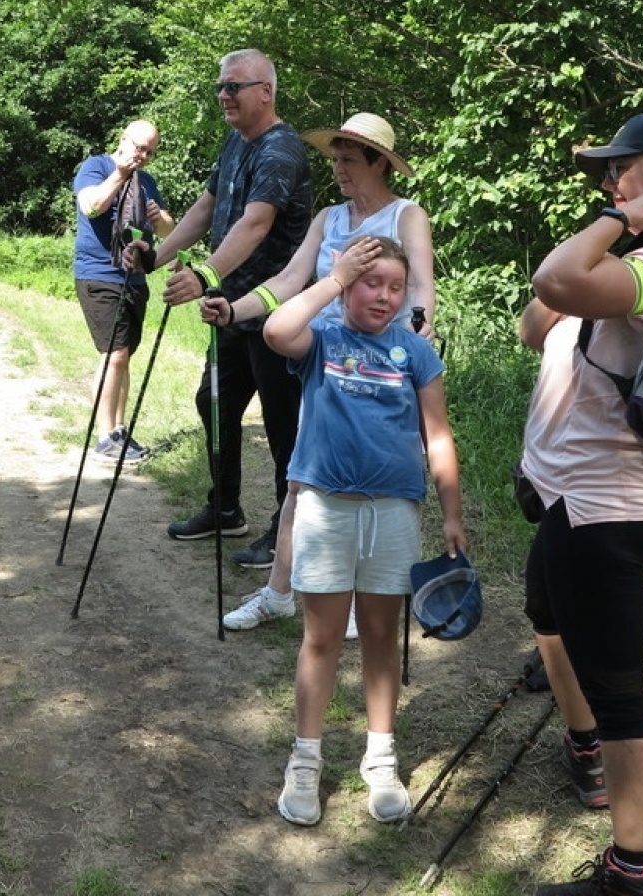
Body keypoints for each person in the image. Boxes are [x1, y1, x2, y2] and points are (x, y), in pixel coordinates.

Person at [518, 110, 643, 896]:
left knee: (622, 689)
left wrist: (612, 225)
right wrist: (613, 231)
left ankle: (632, 867)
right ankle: (583, 742)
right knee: (545, 611)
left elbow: (550, 284)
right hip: (578, 498)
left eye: (618, 170)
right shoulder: (635, 260)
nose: (606, 182)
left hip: (610, 509)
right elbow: (537, 324)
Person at [203, 112, 435, 632]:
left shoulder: (406, 216)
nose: (338, 170)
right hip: (324, 364)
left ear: (379, 162)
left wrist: (422, 333)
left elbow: (420, 288)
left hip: (381, 372)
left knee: (371, 483)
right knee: (303, 481)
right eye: (334, 160)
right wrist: (236, 309)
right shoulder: (328, 218)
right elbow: (289, 278)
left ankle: (357, 596)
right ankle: (279, 593)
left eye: (348, 160)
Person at [263, 235, 466, 826]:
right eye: (370, 283)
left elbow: (439, 436)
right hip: (326, 508)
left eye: (394, 287)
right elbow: (277, 331)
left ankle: (381, 757)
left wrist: (452, 512)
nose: (383, 296)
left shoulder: (416, 353)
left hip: (395, 512)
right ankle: (305, 760)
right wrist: (332, 276)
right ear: (349, 285)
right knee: (322, 638)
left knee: (381, 636)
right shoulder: (323, 338)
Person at [131, 50, 312, 542]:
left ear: (265, 92)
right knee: (213, 402)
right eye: (220, 87)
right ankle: (226, 508)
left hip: (278, 310)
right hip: (231, 309)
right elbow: (206, 207)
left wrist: (205, 275)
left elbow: (257, 222)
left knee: (283, 425)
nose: (223, 96)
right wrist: (157, 256)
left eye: (233, 87)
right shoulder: (236, 142)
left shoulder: (282, 148)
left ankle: (287, 530)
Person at [72, 120, 172, 464]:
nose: (142, 156)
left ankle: (118, 429)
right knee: (113, 354)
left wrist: (159, 219)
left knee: (124, 355)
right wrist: (119, 175)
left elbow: (170, 228)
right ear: (123, 140)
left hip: (135, 277)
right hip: (98, 274)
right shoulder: (95, 167)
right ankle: (104, 438)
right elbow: (92, 206)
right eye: (138, 147)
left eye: (149, 152)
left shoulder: (147, 182)